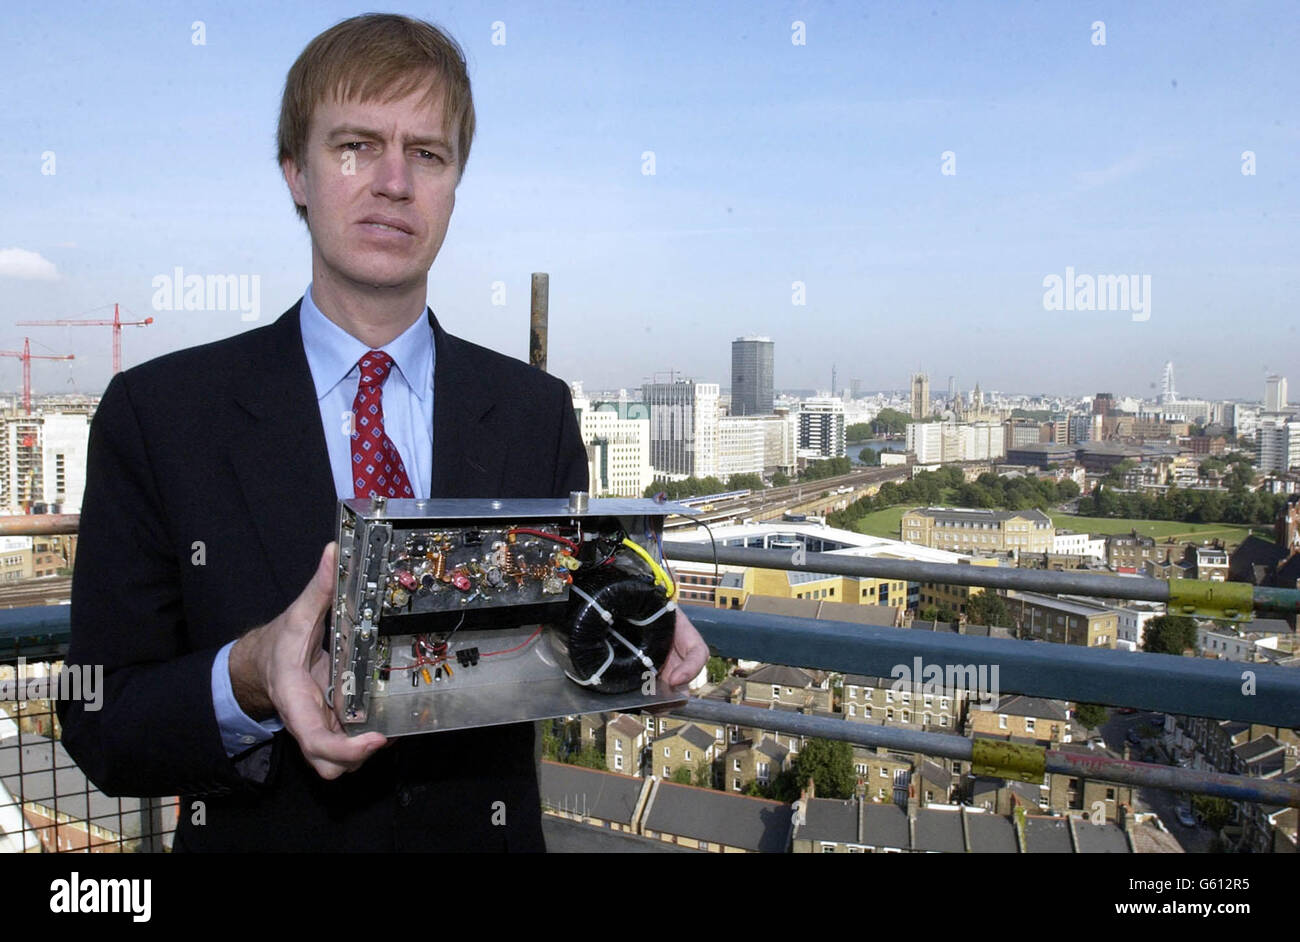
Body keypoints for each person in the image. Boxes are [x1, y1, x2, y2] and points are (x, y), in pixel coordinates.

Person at [57, 13, 707, 852]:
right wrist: (250, 676)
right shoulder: (159, 415)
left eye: (427, 154)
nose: (394, 182)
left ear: (454, 183)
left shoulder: (534, 410)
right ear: (296, 171)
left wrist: (634, 629)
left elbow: (558, 638)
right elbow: (99, 714)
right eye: (356, 146)